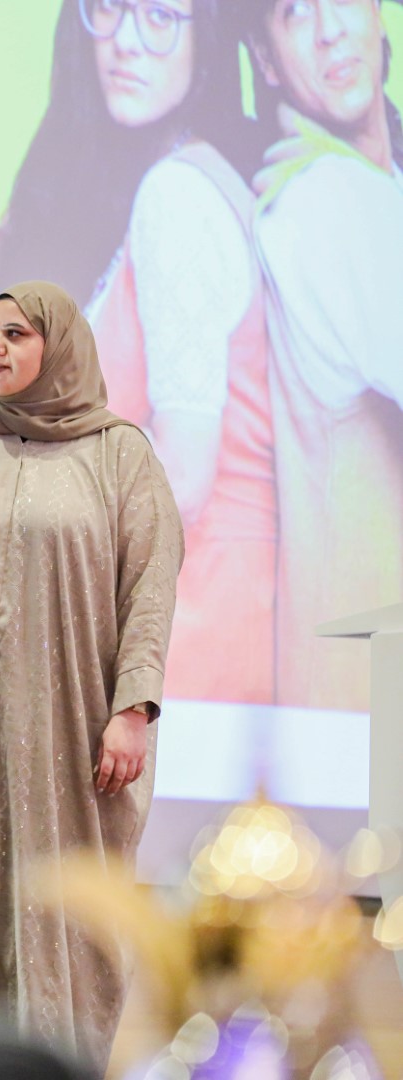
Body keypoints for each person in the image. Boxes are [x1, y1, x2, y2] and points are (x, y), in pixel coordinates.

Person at [0, 0, 271, 702]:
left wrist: (13, 496)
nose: (126, 41)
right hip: (152, 611)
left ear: (206, 38)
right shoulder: (152, 165)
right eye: (109, 8)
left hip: (181, 634)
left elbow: (182, 482)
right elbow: (42, 271)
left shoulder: (179, 196)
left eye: (161, 16)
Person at [0, 282, 183, 1074]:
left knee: (68, 910)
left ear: (60, 346)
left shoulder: (117, 453)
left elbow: (150, 584)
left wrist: (133, 708)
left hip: (72, 729)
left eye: (16, 333)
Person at [244, 0, 403, 713]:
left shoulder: (370, 185)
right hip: (368, 698)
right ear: (267, 61)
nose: (329, 28)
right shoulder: (327, 198)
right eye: (294, 13)